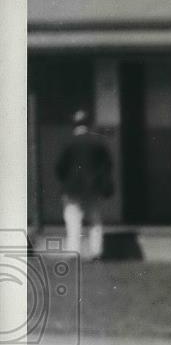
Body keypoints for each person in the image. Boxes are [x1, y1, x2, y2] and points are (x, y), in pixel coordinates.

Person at [55, 109, 114, 260]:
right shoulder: (98, 142)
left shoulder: (68, 141)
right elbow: (108, 165)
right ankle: (96, 251)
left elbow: (60, 167)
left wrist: (64, 181)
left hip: (72, 187)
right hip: (94, 187)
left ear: (73, 124)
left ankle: (74, 251)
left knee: (73, 219)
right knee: (95, 219)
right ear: (89, 124)